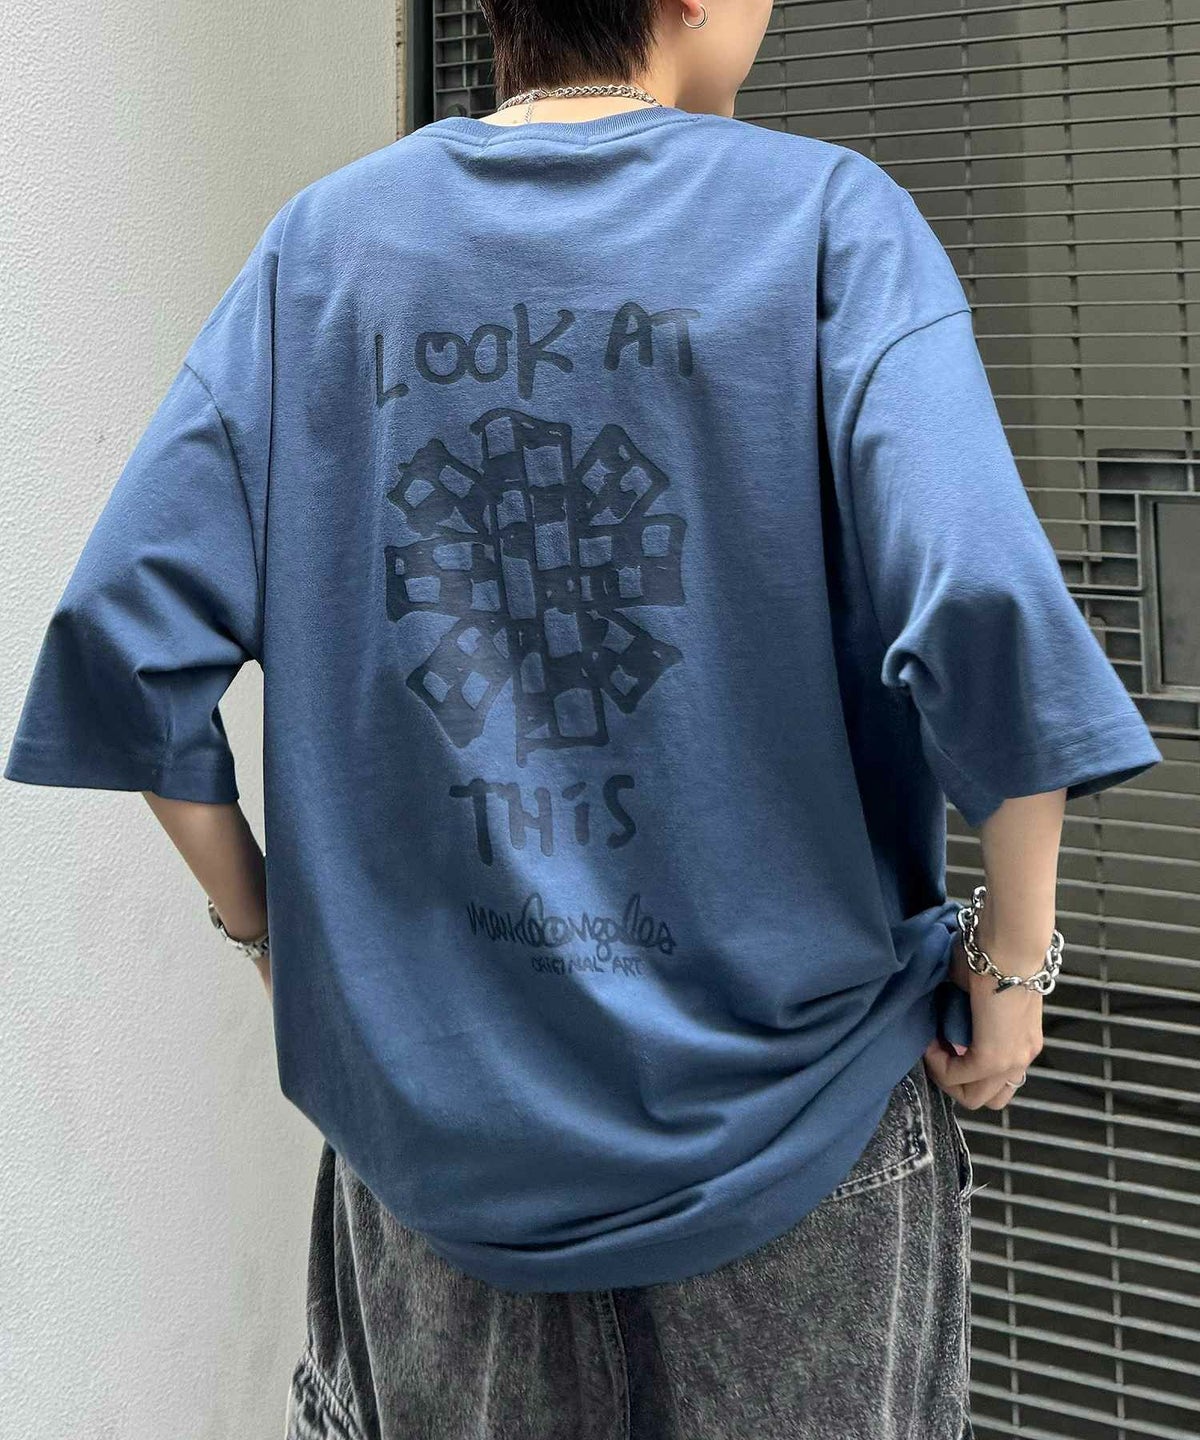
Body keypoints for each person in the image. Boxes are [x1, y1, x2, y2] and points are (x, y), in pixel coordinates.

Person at [5, 1, 1164, 1437]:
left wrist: (272, 941)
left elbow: (127, 640)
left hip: (438, 1175)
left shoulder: (327, 251)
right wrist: (1014, 967)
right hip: (794, 1151)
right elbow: (985, 605)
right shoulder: (827, 223)